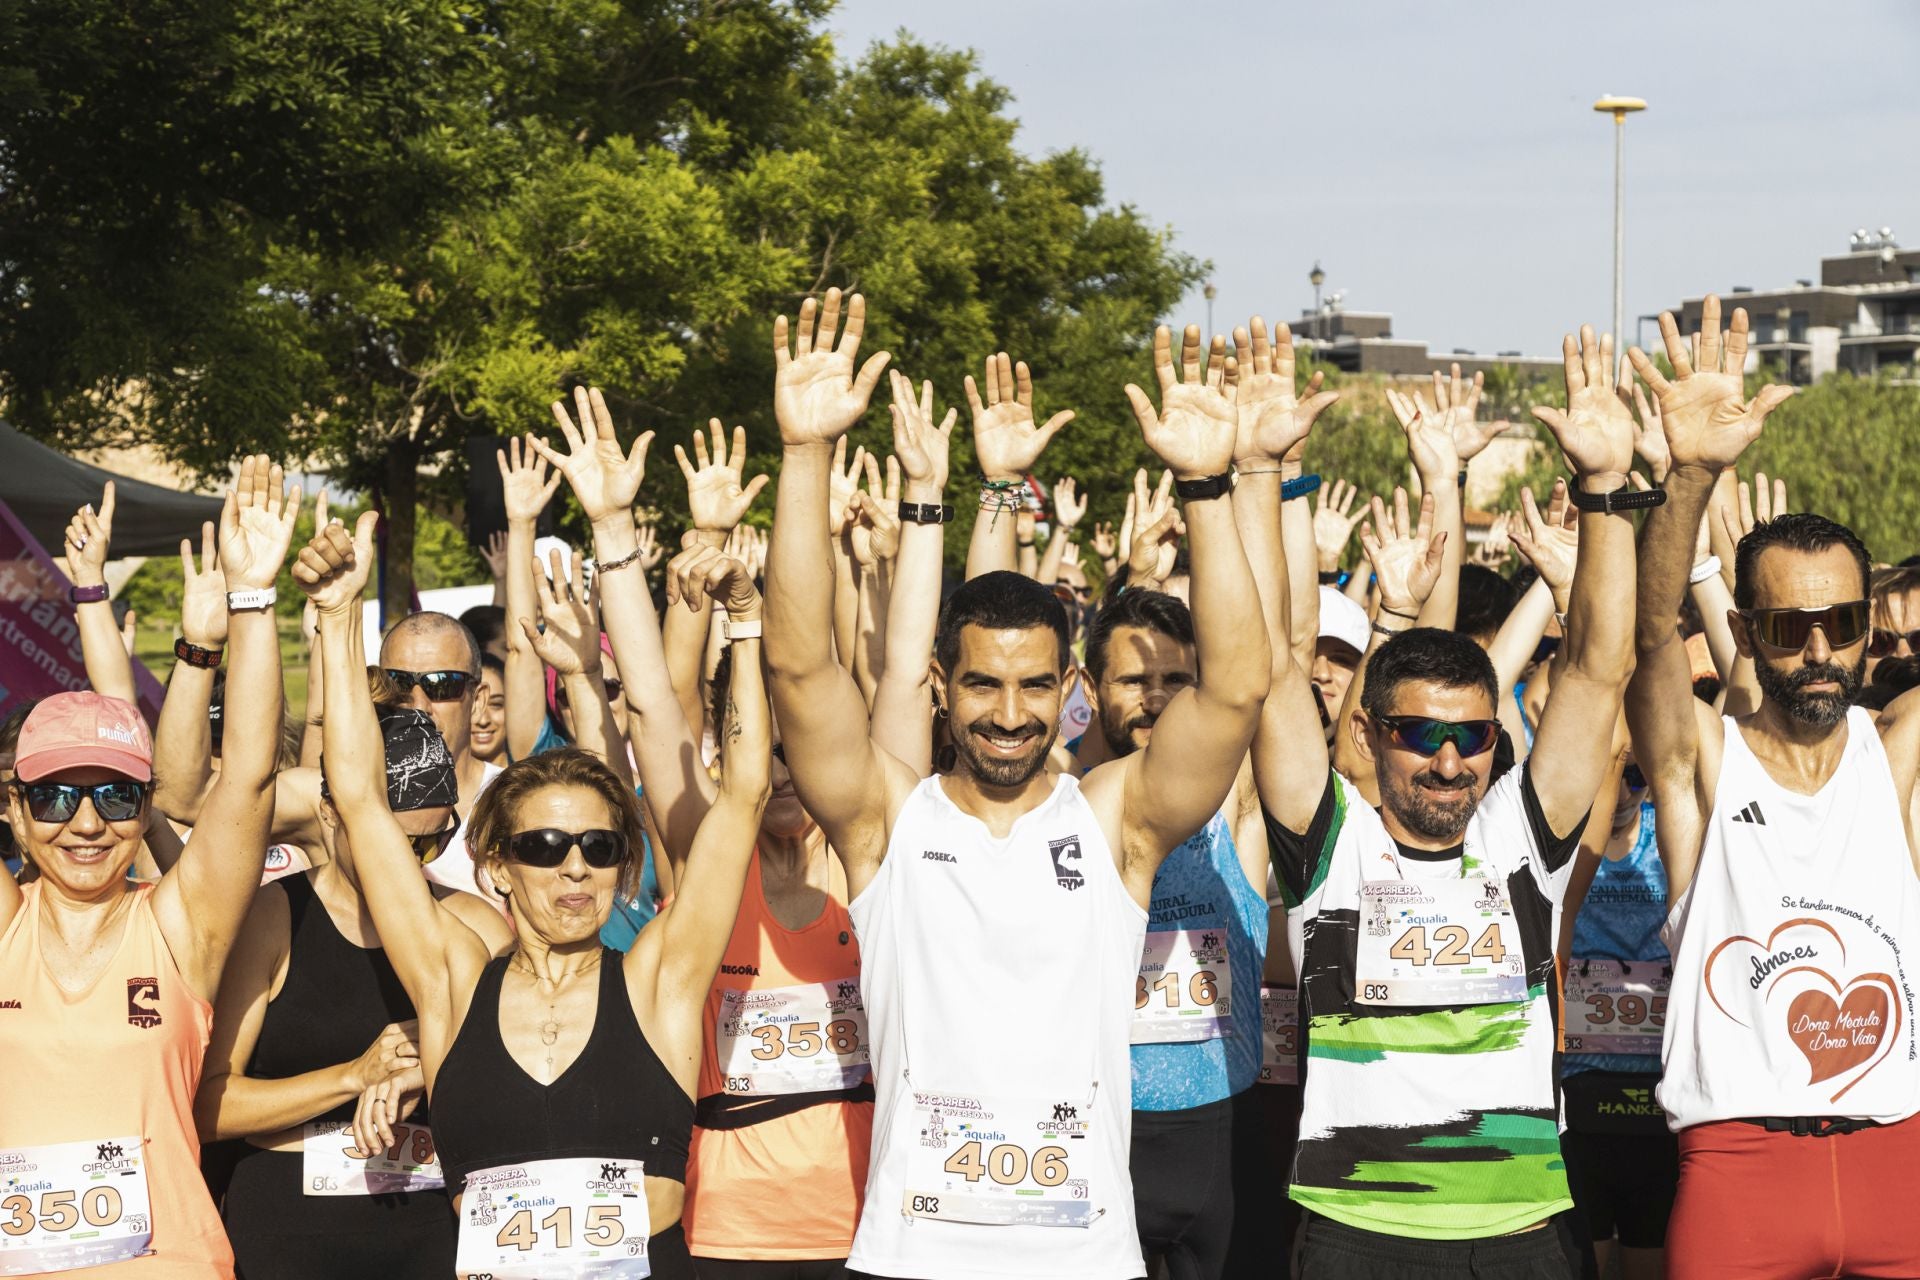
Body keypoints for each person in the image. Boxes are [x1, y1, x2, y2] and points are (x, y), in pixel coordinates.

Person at [764, 292, 1270, 1278]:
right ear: (941, 686)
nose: (1008, 712)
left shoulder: (1117, 818)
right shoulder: (885, 822)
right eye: (984, 684)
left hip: (1083, 1257)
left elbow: (1239, 686)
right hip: (911, 1256)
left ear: (1070, 689)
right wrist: (801, 455)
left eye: (1036, 684)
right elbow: (798, 670)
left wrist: (1207, 486)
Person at [304, 452, 769, 1278]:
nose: (575, 870)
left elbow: (742, 797)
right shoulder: (448, 979)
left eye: (599, 847)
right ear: (495, 866)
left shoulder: (661, 978)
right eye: (544, 848)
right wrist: (339, 618)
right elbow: (360, 798)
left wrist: (744, 626)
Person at [1254, 326, 1638, 1277]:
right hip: (1355, 1236)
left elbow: (1598, 669)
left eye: (1470, 738)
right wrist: (1261, 480)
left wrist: (1609, 491)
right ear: (1369, 736)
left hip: (1522, 1236)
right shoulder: (1329, 842)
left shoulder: (1519, 838)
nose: (1448, 761)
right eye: (1420, 735)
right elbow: (1265, 669)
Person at [1624, 297, 1920, 1279]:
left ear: (1870, 626)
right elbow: (1652, 634)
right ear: (1748, 634)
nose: (1822, 650)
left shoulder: (1900, 752)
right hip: (1738, 1170)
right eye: (1791, 630)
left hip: (1896, 1164)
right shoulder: (1704, 761)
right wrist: (1691, 479)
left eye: (1841, 623)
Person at [0, 456, 299, 1278]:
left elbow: (248, 777)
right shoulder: (7, 923)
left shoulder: (180, 925)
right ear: (15, 813)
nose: (88, 824)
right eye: (57, 798)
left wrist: (253, 598)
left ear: (147, 809)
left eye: (116, 798)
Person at [195, 706, 509, 1279]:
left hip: (429, 1220)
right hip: (292, 1225)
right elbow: (211, 1105)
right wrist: (351, 1075)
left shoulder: (477, 929)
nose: (408, 867)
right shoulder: (272, 917)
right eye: (392, 842)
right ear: (332, 814)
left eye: (431, 843)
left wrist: (440, 1053)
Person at [1078, 587, 1269, 1279]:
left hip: (1219, 1133)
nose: (1155, 700)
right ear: (1090, 685)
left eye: (1175, 681)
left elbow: (1256, 666)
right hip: (1096, 1132)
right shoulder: (1063, 803)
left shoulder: (1235, 803)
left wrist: (1244, 480)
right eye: (1134, 680)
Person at [1555, 745, 1675, 1280]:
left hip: (1660, 1092)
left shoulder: (1675, 835)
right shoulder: (1560, 840)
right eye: (1611, 774)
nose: (1624, 792)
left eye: (1634, 775)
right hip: (1577, 1094)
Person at [470, 653, 508, 766]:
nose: (483, 721)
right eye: (472, 706)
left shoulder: (534, 775)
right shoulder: (436, 781)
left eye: (496, 704)